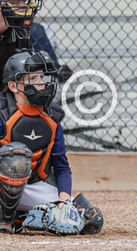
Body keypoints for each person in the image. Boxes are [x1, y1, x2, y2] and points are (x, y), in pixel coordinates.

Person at [0, 50, 103, 234]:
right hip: (2, 184)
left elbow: (61, 166)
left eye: (42, 77)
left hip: (33, 185)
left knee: (89, 220)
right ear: (14, 86)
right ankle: (5, 218)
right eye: (33, 78)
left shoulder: (51, 116)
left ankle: (20, 216)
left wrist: (63, 201)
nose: (41, 83)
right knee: (16, 155)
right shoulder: (3, 113)